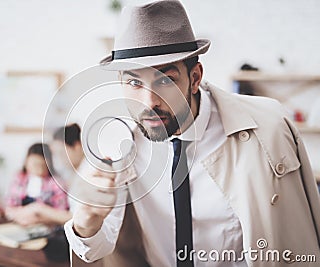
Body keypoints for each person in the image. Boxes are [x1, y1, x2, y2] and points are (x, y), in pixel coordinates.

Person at [64, 1, 320, 267]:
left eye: (165, 80)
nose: (149, 102)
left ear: (195, 77)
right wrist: (85, 224)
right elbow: (99, 246)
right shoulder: (114, 144)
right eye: (134, 82)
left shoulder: (267, 129)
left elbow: (299, 234)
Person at [5, 143, 72, 226]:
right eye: (34, 164)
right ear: (26, 162)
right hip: (20, 225)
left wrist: (38, 212)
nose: (37, 169)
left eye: (41, 165)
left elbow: (62, 214)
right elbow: (9, 208)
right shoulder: (19, 178)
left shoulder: (57, 183)